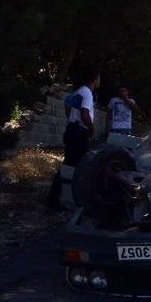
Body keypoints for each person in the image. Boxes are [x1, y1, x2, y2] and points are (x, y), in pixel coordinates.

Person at [46, 68, 100, 208]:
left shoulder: (77, 92)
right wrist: (91, 128)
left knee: (71, 163)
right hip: (79, 133)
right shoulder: (87, 93)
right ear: (95, 80)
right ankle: (57, 199)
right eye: (98, 79)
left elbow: (68, 109)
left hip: (72, 130)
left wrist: (73, 120)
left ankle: (59, 197)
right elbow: (85, 113)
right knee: (77, 164)